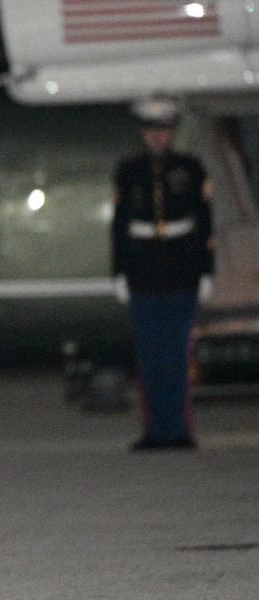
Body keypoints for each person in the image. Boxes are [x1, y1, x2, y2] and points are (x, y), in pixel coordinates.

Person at [111, 108, 214, 452]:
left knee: (176, 357)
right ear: (143, 133)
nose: (157, 136)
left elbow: (204, 221)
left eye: (164, 129)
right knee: (149, 358)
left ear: (172, 132)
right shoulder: (129, 170)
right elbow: (119, 225)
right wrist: (119, 272)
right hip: (142, 271)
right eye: (151, 129)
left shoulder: (190, 168)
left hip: (182, 268)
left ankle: (179, 430)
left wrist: (206, 270)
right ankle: (155, 431)